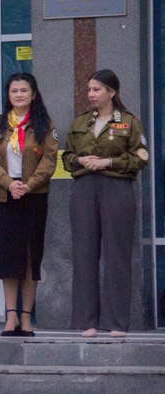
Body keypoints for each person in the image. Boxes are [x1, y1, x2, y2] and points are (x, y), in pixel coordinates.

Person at [62, 69, 149, 338]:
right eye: (89, 89)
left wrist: (108, 162)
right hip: (84, 187)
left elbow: (141, 157)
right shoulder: (81, 122)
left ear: (112, 92)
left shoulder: (129, 122)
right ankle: (86, 321)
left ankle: (116, 322)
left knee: (117, 255)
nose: (91, 94)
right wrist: (80, 160)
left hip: (117, 186)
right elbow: (66, 157)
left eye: (97, 89)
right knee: (84, 253)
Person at [0, 73, 57, 337]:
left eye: (24, 90)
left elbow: (49, 160)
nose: (19, 95)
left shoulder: (44, 124)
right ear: (8, 95)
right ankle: (10, 315)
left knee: (30, 257)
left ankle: (26, 317)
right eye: (14, 91)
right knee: (9, 257)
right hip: (6, 196)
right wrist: (10, 184)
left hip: (34, 195)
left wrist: (28, 185)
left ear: (33, 95)